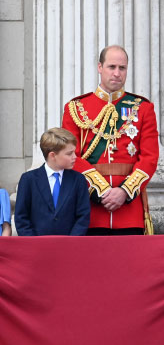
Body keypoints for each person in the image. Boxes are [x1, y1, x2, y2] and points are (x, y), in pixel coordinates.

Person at [61, 45, 159, 235]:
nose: (117, 73)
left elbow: (149, 158)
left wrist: (124, 192)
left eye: (122, 68)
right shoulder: (76, 107)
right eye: (111, 67)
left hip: (129, 211)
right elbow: (71, 155)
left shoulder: (143, 108)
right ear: (100, 67)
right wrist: (102, 190)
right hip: (90, 210)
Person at [14, 128, 90, 236]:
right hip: (37, 246)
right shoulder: (28, 180)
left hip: (69, 245)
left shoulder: (78, 180)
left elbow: (83, 216)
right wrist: (33, 243)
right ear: (52, 155)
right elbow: (21, 217)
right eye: (69, 153)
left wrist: (72, 241)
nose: (75, 157)